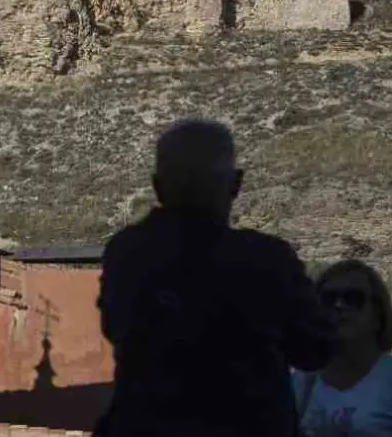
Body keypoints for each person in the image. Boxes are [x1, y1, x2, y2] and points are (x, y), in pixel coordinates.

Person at [95, 119, 335, 437]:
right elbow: (313, 349)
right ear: (235, 184)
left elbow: (114, 328)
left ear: (157, 186)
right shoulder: (266, 260)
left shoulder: (127, 253)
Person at [290, 260, 392, 437]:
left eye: (352, 299)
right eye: (328, 299)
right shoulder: (301, 384)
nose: (339, 306)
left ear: (377, 316)